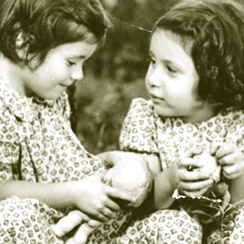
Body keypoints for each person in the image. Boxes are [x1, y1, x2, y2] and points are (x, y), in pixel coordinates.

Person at [97, 0, 244, 243]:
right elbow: (139, 201)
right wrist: (172, 179)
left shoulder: (237, 125)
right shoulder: (147, 118)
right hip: (162, 230)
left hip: (219, 235)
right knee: (176, 225)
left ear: (214, 78)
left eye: (171, 70)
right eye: (152, 62)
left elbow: (236, 211)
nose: (153, 78)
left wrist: (238, 171)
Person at [0, 0, 137, 243]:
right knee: (15, 217)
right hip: (30, 225)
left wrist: (104, 162)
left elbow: (55, 164)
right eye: (71, 62)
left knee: (167, 220)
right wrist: (74, 193)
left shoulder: (52, 93)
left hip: (69, 221)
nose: (78, 75)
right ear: (24, 44)